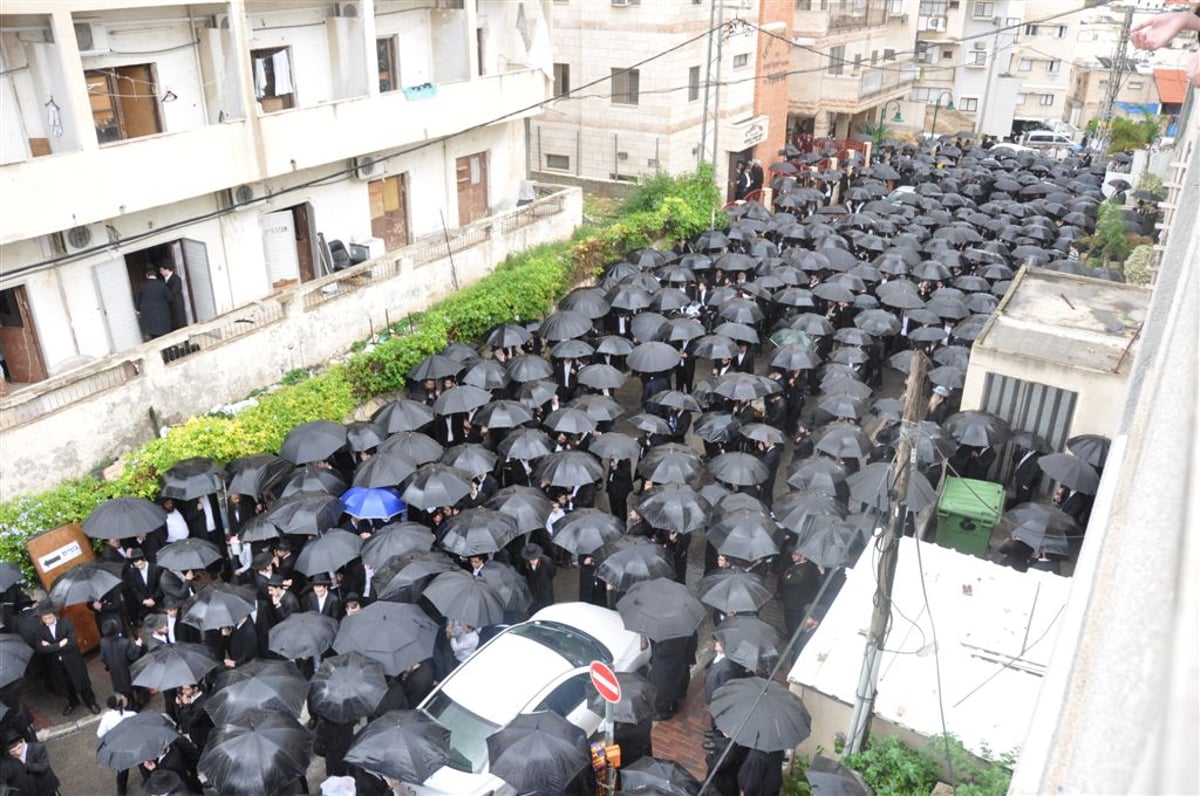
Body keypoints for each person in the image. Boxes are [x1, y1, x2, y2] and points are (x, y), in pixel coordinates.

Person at [32, 601, 99, 716]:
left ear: (54, 614)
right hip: (56, 664)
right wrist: (59, 645)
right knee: (65, 684)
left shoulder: (66, 622)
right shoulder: (39, 630)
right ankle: (73, 702)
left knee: (81, 682)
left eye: (49, 617)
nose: (47, 620)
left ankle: (91, 702)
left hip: (72, 660)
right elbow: (40, 649)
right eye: (45, 618)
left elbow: (72, 643)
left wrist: (50, 646)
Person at [97, 694, 137, 795]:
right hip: (134, 743)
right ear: (120, 704)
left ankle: (121, 790)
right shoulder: (132, 714)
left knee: (122, 770)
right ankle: (147, 778)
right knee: (142, 760)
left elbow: (100, 734)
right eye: (122, 698)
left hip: (119, 747)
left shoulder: (107, 717)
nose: (125, 697)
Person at [2, 728, 60, 796]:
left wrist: (25, 764)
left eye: (19, 748)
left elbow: (43, 767)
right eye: (13, 752)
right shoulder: (9, 758)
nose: (17, 753)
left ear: (22, 741)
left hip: (46, 786)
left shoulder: (38, 749)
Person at [99, 619, 143, 706]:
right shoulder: (125, 643)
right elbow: (133, 656)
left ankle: (128, 704)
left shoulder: (103, 643)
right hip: (128, 673)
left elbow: (103, 658)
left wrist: (109, 665)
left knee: (124, 693)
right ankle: (134, 705)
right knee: (132, 691)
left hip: (115, 674)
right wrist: (138, 645)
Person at [134, 268, 172, 340]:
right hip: (162, 312)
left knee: (153, 333)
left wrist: (138, 310)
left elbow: (138, 299)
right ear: (156, 275)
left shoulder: (142, 286)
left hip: (148, 313)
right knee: (164, 333)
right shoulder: (162, 284)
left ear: (147, 276)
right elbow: (169, 297)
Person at [521, 543, 557, 613]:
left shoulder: (547, 562)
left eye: (534, 559)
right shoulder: (524, 563)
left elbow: (553, 573)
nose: (532, 562)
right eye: (530, 560)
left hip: (545, 590)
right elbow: (523, 572)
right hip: (532, 591)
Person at [160, 263, 187, 331]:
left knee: (180, 323)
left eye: (162, 270)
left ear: (167, 269)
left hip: (177, 305)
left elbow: (174, 292)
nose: (161, 272)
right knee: (173, 325)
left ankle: (186, 340)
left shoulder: (176, 279)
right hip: (169, 306)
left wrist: (165, 297)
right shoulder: (163, 280)